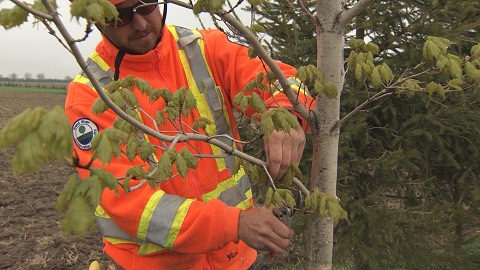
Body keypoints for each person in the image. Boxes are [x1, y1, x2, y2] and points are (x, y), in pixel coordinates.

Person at [65, 0, 314, 269]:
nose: (139, 24)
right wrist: (234, 223)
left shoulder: (202, 49)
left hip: (234, 259)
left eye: (146, 6)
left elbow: (282, 79)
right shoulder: (91, 96)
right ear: (96, 20)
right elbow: (131, 203)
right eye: (121, 17)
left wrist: (286, 114)